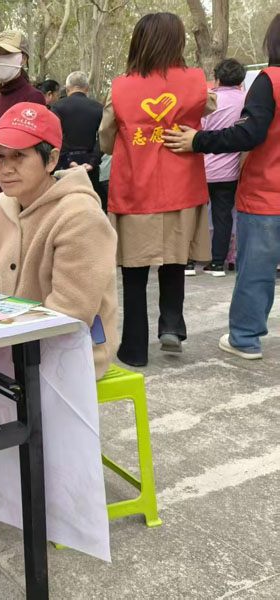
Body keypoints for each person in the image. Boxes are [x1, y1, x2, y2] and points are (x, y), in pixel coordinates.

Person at [99, 12, 217, 367]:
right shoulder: (196, 82)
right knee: (174, 261)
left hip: (135, 192)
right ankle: (171, 325)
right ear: (177, 43)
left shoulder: (121, 87)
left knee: (134, 272)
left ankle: (135, 350)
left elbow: (106, 140)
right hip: (182, 191)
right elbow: (208, 107)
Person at [164, 14, 280, 360]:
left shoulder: (269, 81)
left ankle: (245, 338)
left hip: (267, 197)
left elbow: (249, 133)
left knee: (256, 273)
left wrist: (198, 140)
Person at [0, 102, 118, 379]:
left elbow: (70, 314)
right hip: (13, 343)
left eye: (19, 156)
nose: (6, 168)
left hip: (73, 351)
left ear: (51, 160)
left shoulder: (80, 215)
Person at [0, 30, 45, 277]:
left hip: (22, 199)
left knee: (22, 269)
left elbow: (34, 149)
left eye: (6, 53)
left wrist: (0, 150)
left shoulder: (34, 98)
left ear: (23, 59)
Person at [190, 58, 246, 277]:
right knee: (224, 216)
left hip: (201, 169)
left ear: (217, 77)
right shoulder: (246, 100)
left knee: (195, 215)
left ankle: (188, 261)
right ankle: (216, 263)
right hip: (229, 173)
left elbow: (197, 130)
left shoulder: (208, 99)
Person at [52, 71, 103, 175]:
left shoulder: (57, 107)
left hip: (63, 165)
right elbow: (103, 138)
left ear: (67, 89)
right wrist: (92, 162)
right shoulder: (99, 108)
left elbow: (54, 135)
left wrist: (67, 160)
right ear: (87, 88)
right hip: (89, 165)